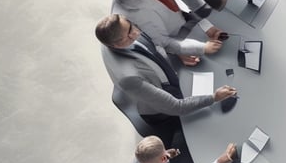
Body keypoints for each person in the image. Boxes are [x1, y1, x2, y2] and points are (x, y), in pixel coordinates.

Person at [96, 14, 237, 142]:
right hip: (163, 111)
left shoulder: (117, 35)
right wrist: (214, 97)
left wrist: (179, 53)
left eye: (131, 26)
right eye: (129, 35)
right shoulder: (128, 77)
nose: (136, 32)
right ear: (116, 45)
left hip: (165, 77)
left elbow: (157, 44)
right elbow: (176, 107)